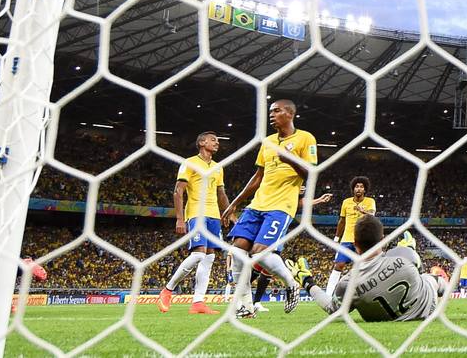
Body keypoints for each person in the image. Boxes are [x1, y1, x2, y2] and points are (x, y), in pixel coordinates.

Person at [221, 99, 318, 317]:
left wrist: (290, 159)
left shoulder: (305, 138)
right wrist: (235, 203)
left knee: (259, 253)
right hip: (257, 204)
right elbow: (258, 176)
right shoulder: (268, 142)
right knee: (237, 250)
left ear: (290, 114)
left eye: (276, 111)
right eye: (270, 111)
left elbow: (311, 173)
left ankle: (291, 284)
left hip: (281, 206)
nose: (271, 114)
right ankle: (246, 307)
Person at [290, 215, 449, 321]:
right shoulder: (403, 257)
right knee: (432, 279)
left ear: (355, 244)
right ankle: (409, 245)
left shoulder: (348, 283)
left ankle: (408, 247)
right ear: (383, 239)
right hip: (428, 307)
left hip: (385, 317)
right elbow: (417, 270)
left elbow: (333, 309)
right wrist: (407, 250)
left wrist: (308, 282)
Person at [159, 131, 228, 315]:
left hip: (214, 215)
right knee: (198, 255)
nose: (217, 143)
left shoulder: (218, 167)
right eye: (213, 140)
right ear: (202, 142)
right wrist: (180, 218)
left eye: (217, 140)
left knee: (209, 257)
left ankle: (198, 302)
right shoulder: (189, 163)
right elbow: (178, 191)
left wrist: (228, 212)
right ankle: (167, 290)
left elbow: (221, 193)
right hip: (197, 213)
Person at [330, 177, 375, 293]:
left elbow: (372, 215)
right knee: (339, 265)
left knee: (362, 267)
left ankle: (363, 293)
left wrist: (363, 211)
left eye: (361, 187)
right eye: (356, 186)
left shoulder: (370, 201)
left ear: (365, 190)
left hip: (362, 240)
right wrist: (336, 238)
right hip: (346, 239)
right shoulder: (346, 202)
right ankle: (329, 293)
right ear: (353, 189)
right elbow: (342, 221)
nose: (359, 189)